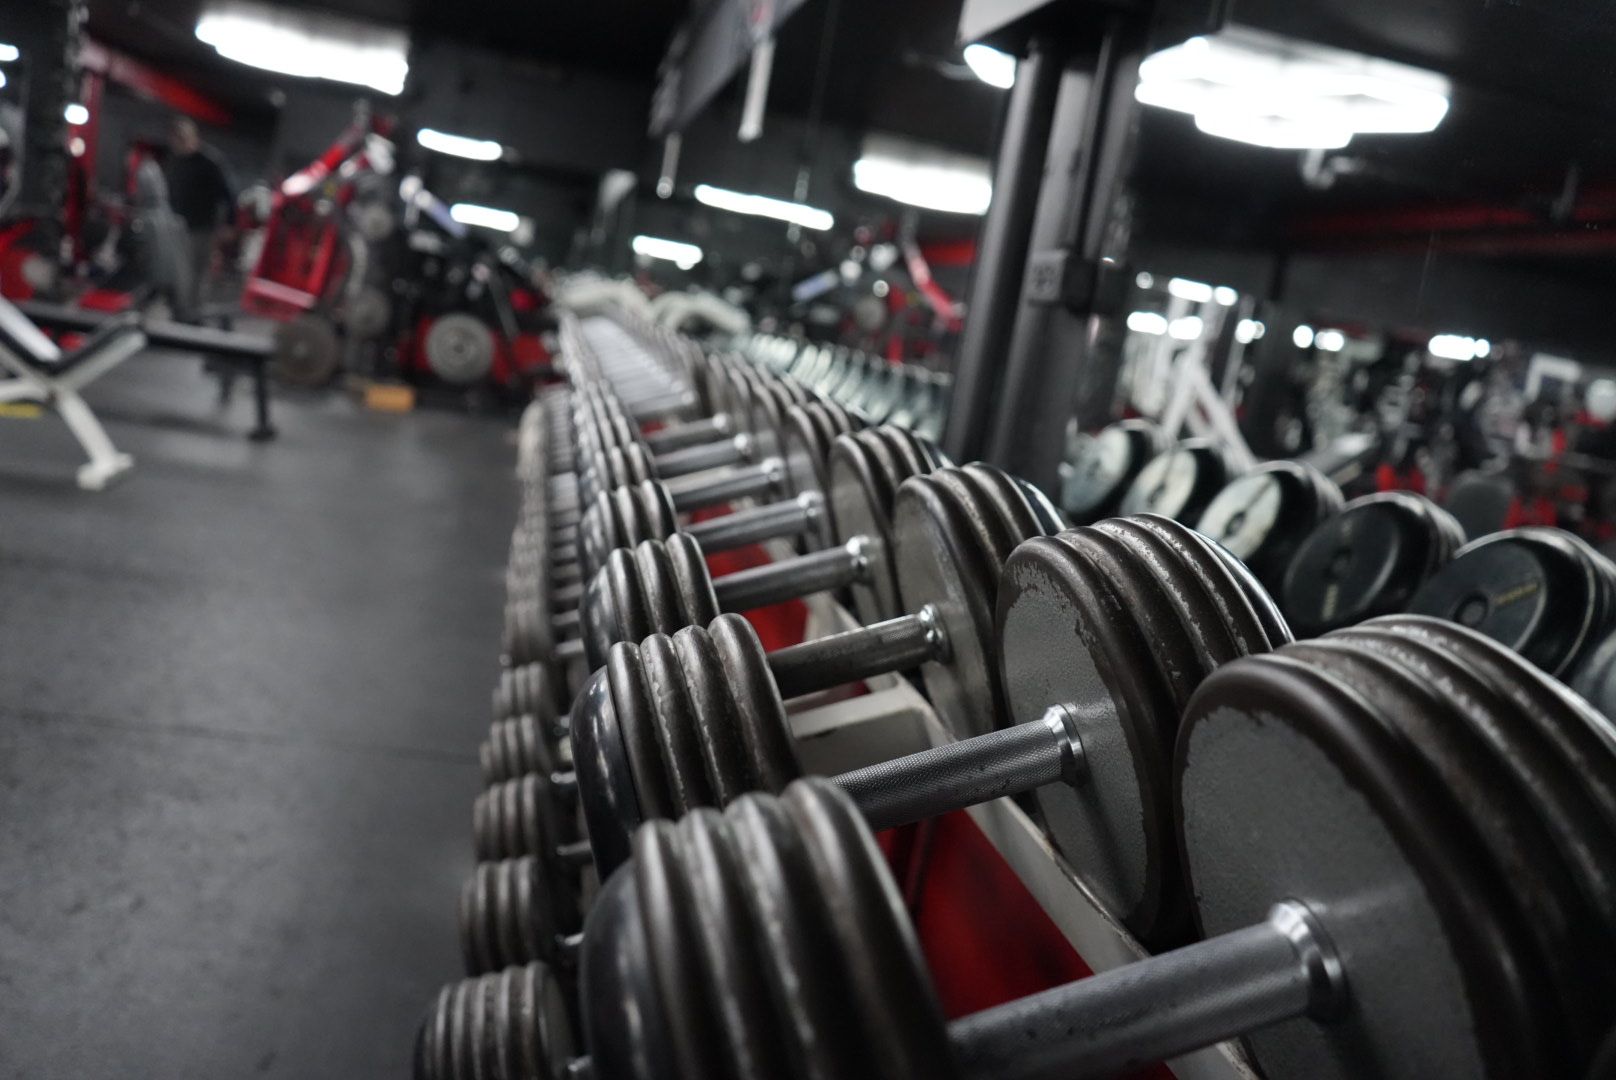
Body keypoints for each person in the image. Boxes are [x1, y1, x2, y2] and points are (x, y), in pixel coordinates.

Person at [164, 117, 233, 321]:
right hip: (177, 226)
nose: (178, 145)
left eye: (182, 140)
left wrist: (229, 223)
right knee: (179, 271)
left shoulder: (210, 162)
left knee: (195, 273)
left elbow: (228, 194)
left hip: (201, 227)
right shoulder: (175, 161)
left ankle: (192, 313)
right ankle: (180, 309)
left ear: (192, 138)